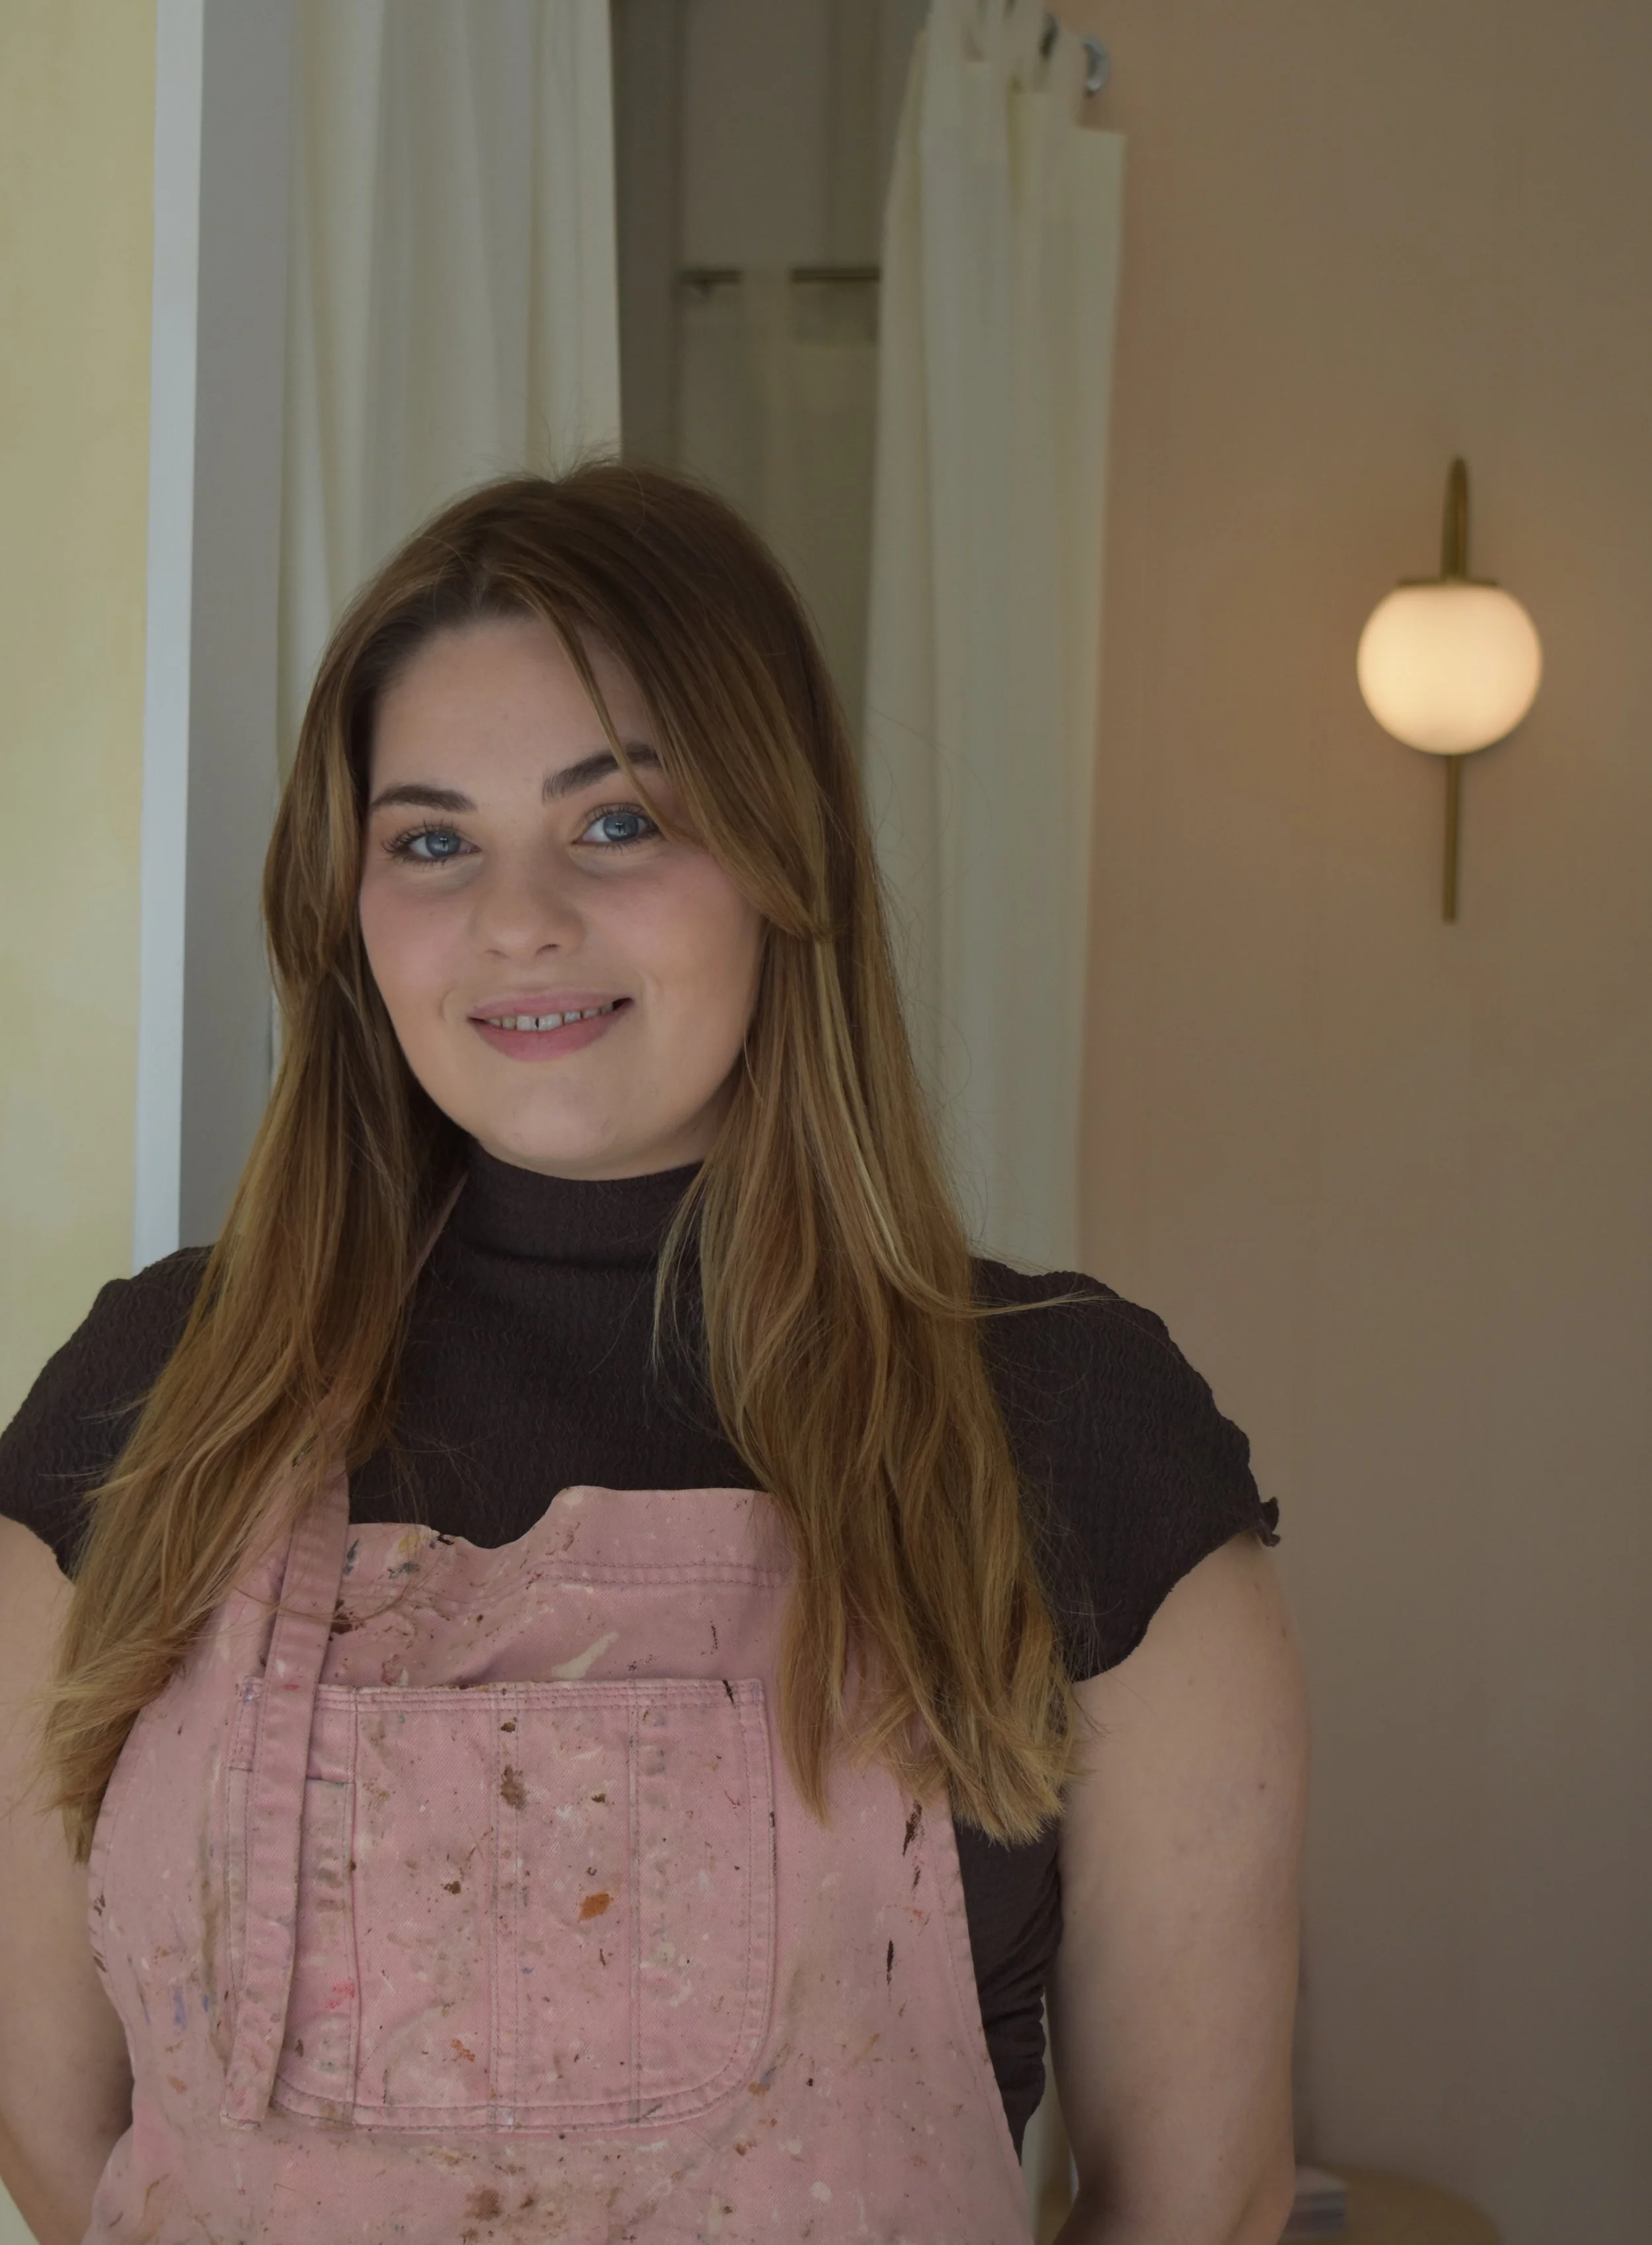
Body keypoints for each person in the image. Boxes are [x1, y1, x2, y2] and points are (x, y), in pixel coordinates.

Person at [0, 463, 1307, 2245]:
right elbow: (58, 2130)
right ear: (348, 906)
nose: (516, 917)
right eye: (431, 838)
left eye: (614, 822)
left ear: (784, 858)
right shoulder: (141, 1404)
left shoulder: (1072, 1431)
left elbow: (1193, 2202)